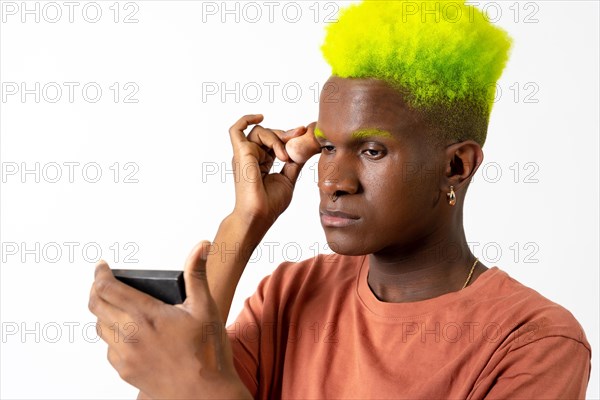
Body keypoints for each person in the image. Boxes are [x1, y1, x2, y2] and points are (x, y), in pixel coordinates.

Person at [88, 1, 592, 398]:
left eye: (372, 150)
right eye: (328, 146)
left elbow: (193, 387)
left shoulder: (533, 342)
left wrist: (198, 389)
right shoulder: (293, 291)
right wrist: (246, 219)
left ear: (455, 166)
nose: (332, 179)